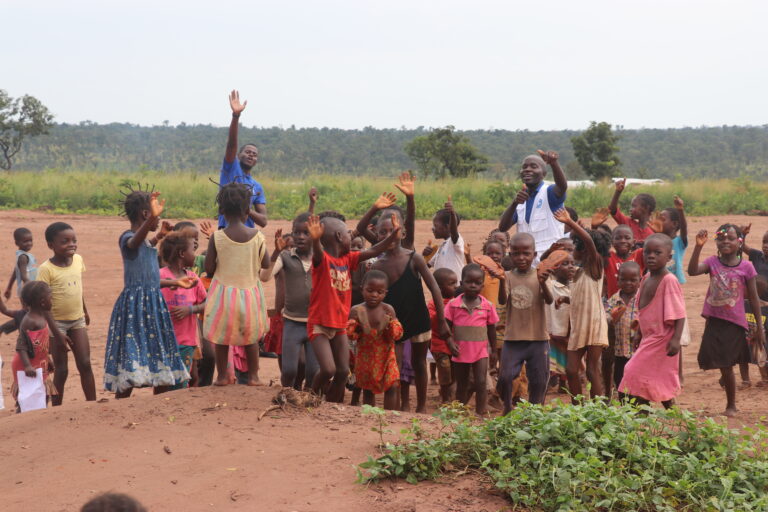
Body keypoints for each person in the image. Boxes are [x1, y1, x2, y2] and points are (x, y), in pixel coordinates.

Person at [104, 189, 191, 397]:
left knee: (159, 352)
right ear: (145, 214)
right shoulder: (127, 238)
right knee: (132, 355)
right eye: (154, 215)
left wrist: (175, 282)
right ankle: (122, 403)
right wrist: (153, 220)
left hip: (153, 305)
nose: (157, 219)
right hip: (136, 308)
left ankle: (158, 404)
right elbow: (135, 244)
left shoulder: (143, 242)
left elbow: (149, 275)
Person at [307, 213, 401, 403]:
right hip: (320, 324)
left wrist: (394, 233)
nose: (352, 235)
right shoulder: (323, 260)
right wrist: (316, 240)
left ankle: (331, 405)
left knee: (343, 371)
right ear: (340, 237)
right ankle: (309, 397)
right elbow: (317, 252)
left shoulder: (348, 259)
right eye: (348, 233)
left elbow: (375, 250)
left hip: (340, 325)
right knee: (328, 369)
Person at [366, 207, 449, 413]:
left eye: (393, 230)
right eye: (382, 232)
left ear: (402, 232)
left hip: (419, 320)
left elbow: (435, 288)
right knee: (393, 367)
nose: (388, 235)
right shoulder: (377, 265)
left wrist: (442, 320)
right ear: (376, 235)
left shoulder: (414, 258)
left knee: (419, 363)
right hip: (393, 323)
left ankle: (420, 408)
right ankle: (393, 411)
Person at [688, 224, 765, 417]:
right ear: (716, 242)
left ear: (740, 242)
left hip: (735, 322)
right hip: (714, 320)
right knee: (709, 357)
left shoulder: (746, 266)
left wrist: (760, 328)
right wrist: (698, 247)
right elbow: (692, 271)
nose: (725, 242)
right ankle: (726, 378)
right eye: (721, 238)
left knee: (727, 363)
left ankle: (731, 405)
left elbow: (754, 299)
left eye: (730, 238)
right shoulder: (713, 262)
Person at [203, 182, 270, 386]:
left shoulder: (217, 237)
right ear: (247, 210)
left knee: (222, 337)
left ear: (222, 209)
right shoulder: (257, 236)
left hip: (223, 295)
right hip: (250, 294)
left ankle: (222, 376)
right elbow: (266, 263)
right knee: (250, 338)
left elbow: (210, 268)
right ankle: (254, 377)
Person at [619, 234, 686, 408]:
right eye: (647, 252)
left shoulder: (669, 280)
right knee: (655, 379)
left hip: (663, 339)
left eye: (657, 252)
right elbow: (643, 312)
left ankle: (642, 417)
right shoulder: (645, 278)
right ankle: (672, 417)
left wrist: (676, 340)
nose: (651, 256)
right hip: (649, 338)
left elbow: (679, 314)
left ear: (669, 257)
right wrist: (639, 334)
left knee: (632, 373)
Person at [554, 208, 611, 401]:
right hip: (579, 325)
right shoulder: (577, 273)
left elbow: (589, 242)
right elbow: (583, 296)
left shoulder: (595, 266)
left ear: (584, 249)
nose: (573, 251)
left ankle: (597, 410)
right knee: (571, 370)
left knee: (592, 370)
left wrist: (570, 223)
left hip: (594, 323)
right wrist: (566, 299)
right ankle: (578, 408)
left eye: (575, 247)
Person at [37, 222, 96, 405]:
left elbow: (78, 289)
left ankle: (92, 404)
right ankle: (56, 409)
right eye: (65, 241)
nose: (71, 244)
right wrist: (56, 332)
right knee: (61, 369)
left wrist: (84, 311)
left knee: (85, 363)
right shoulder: (46, 269)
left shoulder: (78, 260)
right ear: (51, 245)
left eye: (74, 240)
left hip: (77, 320)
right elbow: (43, 305)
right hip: (57, 324)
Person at [261, 213, 319, 389]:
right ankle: (286, 395)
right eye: (296, 233)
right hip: (292, 322)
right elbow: (265, 276)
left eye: (306, 233)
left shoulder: (321, 258)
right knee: (288, 370)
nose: (300, 237)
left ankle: (309, 400)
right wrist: (276, 251)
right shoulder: (285, 257)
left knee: (312, 371)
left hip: (315, 323)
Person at [497, 233, 554, 413]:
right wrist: (500, 280)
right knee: (505, 377)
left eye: (526, 253)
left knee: (539, 381)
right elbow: (502, 300)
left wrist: (543, 282)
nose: (521, 258)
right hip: (513, 339)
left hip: (538, 338)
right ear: (510, 255)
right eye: (516, 253)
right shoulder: (507, 276)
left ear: (534, 255)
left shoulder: (541, 275)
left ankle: (535, 414)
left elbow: (550, 300)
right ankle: (507, 407)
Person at [445, 264, 499, 415]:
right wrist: (450, 343)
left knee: (481, 382)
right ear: (461, 283)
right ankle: (460, 412)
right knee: (462, 384)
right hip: (460, 351)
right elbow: (446, 326)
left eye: (477, 283)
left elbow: (491, 329)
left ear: (482, 285)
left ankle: (480, 412)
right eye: (469, 282)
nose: (473, 285)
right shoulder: (453, 305)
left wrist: (494, 351)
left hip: (480, 352)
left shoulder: (487, 306)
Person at [498, 150, 568, 263]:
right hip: (525, 263)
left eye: (533, 166)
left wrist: (554, 164)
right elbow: (502, 227)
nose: (527, 169)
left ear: (543, 173)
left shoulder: (549, 193)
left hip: (551, 262)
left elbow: (562, 187)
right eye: (524, 167)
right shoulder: (521, 199)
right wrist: (514, 203)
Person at [347, 270, 403, 409]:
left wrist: (390, 322)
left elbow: (397, 334)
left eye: (379, 292)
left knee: (392, 385)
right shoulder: (357, 310)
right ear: (362, 290)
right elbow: (350, 335)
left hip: (386, 355)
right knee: (368, 389)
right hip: (366, 357)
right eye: (370, 290)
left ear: (385, 293)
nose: (374, 295)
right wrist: (355, 325)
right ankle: (370, 417)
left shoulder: (387, 309)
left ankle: (390, 416)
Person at [159, 229, 207, 389]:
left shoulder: (194, 279)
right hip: (162, 341)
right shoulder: (160, 275)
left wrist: (191, 310)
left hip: (186, 342)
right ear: (181, 253)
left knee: (180, 383)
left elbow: (208, 304)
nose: (195, 255)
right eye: (192, 251)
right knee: (162, 383)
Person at [10, 282, 65, 410]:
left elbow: (40, 343)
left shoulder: (42, 317)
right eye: (50, 298)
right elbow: (21, 346)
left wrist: (47, 359)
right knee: (27, 396)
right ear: (42, 302)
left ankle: (37, 419)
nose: (52, 300)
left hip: (39, 363)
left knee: (43, 394)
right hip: (25, 364)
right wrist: (28, 366)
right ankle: (21, 420)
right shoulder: (30, 320)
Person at [218, 90, 267, 229]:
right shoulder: (230, 169)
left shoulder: (256, 187)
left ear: (256, 160)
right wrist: (236, 116)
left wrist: (244, 208)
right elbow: (232, 144)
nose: (251, 155)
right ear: (238, 155)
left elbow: (263, 221)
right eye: (247, 152)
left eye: (254, 154)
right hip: (225, 232)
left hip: (247, 236)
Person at [605, 261, 641, 393]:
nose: (628, 283)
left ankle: (639, 406)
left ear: (640, 280)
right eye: (624, 280)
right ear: (618, 280)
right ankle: (623, 405)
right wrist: (612, 318)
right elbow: (605, 317)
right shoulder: (613, 300)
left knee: (638, 380)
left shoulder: (642, 299)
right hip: (619, 350)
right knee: (619, 379)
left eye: (633, 280)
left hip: (638, 351)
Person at [546, 251, 576, 393]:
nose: (571, 267)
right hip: (554, 328)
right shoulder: (551, 285)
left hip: (569, 330)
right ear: (555, 268)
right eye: (565, 264)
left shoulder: (575, 287)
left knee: (565, 358)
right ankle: (546, 384)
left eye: (572, 263)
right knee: (551, 359)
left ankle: (563, 386)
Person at [428, 268, 460, 404]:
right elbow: (433, 321)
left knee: (454, 369)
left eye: (456, 283)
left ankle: (449, 394)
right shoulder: (433, 303)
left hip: (456, 342)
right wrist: (443, 311)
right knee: (444, 368)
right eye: (452, 283)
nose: (456, 286)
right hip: (439, 343)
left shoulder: (458, 301)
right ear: (440, 288)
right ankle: (445, 395)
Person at [608, 178, 656, 247]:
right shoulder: (628, 224)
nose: (630, 209)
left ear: (645, 208)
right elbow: (612, 210)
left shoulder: (654, 231)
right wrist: (618, 192)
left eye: (634, 206)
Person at [426, 197, 466, 277]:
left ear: (448, 226)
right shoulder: (442, 247)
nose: (433, 228)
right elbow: (426, 266)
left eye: (435, 225)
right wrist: (425, 256)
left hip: (455, 288)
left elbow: (454, 232)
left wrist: (452, 213)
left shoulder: (455, 242)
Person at [604, 225, 644, 298]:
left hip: (636, 303)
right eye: (618, 238)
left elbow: (654, 245)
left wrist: (659, 233)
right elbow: (596, 250)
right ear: (612, 242)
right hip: (614, 304)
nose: (623, 241)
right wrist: (594, 227)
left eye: (627, 238)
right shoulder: (608, 257)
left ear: (633, 242)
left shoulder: (639, 255)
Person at [659, 196, 689, 284]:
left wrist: (680, 210)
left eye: (662, 220)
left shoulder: (679, 242)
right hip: (656, 280)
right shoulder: (656, 240)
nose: (659, 222)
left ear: (675, 224)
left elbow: (684, 228)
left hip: (674, 280)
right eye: (658, 219)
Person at [4, 227, 37, 300]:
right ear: (17, 243)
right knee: (30, 310)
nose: (29, 243)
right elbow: (23, 276)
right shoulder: (23, 257)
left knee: (28, 310)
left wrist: (9, 287)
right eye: (25, 241)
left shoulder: (22, 255)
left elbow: (16, 271)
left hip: (26, 288)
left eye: (30, 240)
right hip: (28, 290)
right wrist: (33, 288)